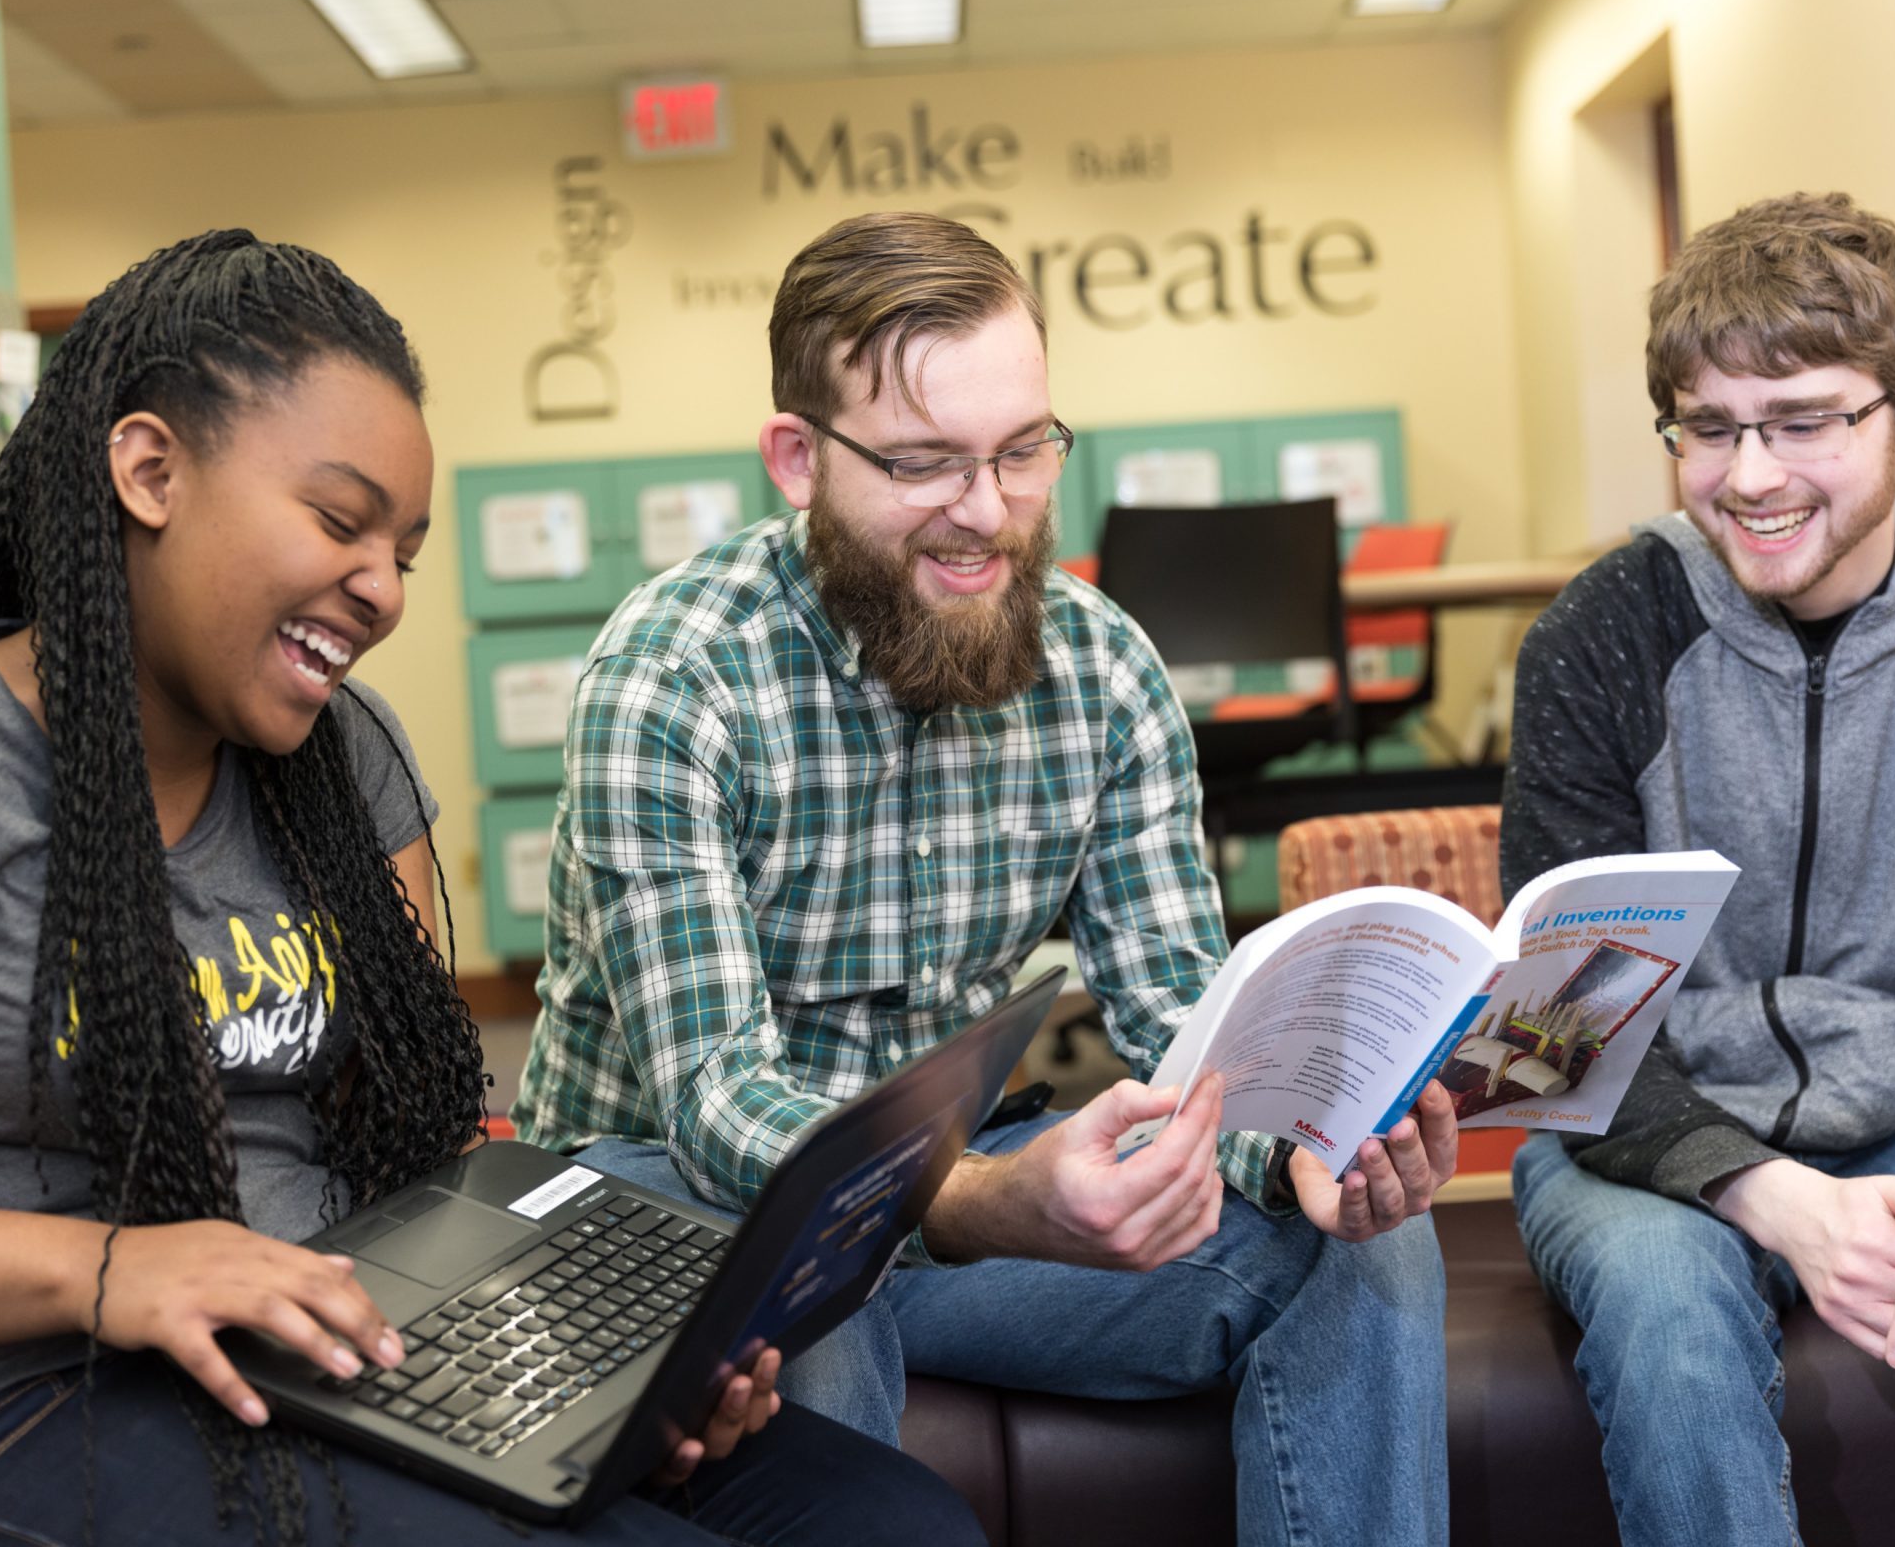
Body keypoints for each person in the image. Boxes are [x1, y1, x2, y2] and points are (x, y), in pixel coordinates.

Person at [0, 230, 982, 1547]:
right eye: (338, 520)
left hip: (341, 1343)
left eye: (406, 551)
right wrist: (105, 1269)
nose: (380, 587)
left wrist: (600, 1367)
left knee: (899, 1526)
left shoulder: (344, 757)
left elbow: (420, 1143)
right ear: (148, 470)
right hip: (12, 1402)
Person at [512, 209, 1458, 1547]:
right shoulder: (670, 682)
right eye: (923, 462)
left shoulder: (1105, 669)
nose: (987, 513)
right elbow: (718, 1101)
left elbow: (1185, 1016)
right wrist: (969, 1200)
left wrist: (1295, 1149)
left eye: (1023, 452)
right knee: (805, 1313)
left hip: (949, 1191)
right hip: (672, 1193)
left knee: (1360, 1247)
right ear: (799, 457)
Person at [1504, 190, 1895, 1544]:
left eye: (1806, 421)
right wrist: (1766, 1194)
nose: (1752, 476)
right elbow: (1551, 1040)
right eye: (1709, 429)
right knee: (1668, 1313)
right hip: (1644, 1146)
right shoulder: (1599, 639)